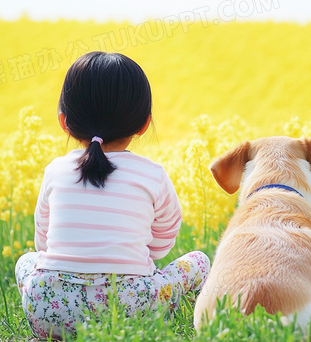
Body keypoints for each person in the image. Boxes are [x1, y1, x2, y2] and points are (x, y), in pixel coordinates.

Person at [15, 51, 210, 339]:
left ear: (64, 121)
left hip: (49, 310)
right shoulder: (152, 174)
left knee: (26, 261)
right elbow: (163, 240)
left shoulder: (55, 170)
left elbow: (43, 243)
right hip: (134, 310)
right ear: (144, 124)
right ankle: (196, 326)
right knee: (200, 260)